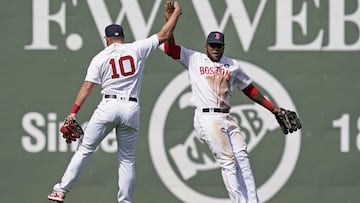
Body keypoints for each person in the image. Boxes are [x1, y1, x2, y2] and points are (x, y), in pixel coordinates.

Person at [47, 1, 182, 203]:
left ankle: (61, 190)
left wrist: (73, 112)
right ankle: (125, 201)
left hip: (108, 105)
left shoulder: (100, 57)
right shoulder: (136, 48)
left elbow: (87, 87)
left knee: (85, 149)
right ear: (123, 38)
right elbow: (163, 35)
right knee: (127, 160)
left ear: (107, 40)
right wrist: (176, 14)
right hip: (131, 108)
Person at [161, 10, 297, 203]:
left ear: (223, 47)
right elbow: (169, 49)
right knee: (228, 161)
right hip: (206, 118)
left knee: (243, 158)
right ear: (206, 46)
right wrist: (170, 22)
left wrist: (273, 109)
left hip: (227, 117)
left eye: (219, 45)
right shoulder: (194, 58)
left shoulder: (232, 65)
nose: (215, 48)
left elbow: (249, 89)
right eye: (212, 45)